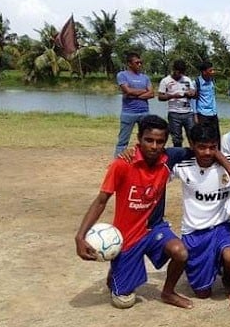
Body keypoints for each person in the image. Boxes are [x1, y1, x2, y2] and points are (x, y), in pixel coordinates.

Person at [75, 115, 192, 309]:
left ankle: (168, 292)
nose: (154, 146)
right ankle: (116, 271)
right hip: (127, 236)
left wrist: (228, 165)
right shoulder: (122, 164)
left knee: (180, 252)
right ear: (139, 139)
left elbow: (201, 148)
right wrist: (80, 237)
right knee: (124, 301)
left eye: (160, 141)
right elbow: (101, 201)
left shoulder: (168, 159)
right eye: (149, 140)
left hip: (154, 229)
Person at [170, 124, 230, 299]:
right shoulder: (183, 166)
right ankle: (206, 267)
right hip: (194, 232)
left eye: (212, 147)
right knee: (203, 293)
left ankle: (228, 277)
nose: (207, 152)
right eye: (201, 147)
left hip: (222, 226)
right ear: (192, 145)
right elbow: (155, 169)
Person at [115, 52, 154, 156]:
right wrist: (143, 91)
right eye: (137, 62)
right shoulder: (122, 75)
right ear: (129, 64)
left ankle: (144, 160)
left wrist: (135, 94)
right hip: (129, 113)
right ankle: (117, 163)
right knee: (123, 140)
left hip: (144, 112)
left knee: (146, 138)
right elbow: (127, 91)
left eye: (140, 62)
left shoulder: (145, 77)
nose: (139, 65)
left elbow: (151, 93)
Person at [157, 59, 196, 147]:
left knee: (192, 136)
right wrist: (173, 95)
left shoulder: (187, 79)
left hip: (188, 112)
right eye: (179, 72)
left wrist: (191, 93)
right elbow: (160, 97)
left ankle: (194, 155)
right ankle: (178, 154)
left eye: (182, 72)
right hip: (174, 113)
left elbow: (193, 92)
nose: (180, 74)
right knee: (176, 138)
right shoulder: (165, 81)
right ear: (174, 70)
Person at [193, 61, 219, 133]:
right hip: (203, 114)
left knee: (215, 137)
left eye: (213, 70)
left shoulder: (212, 80)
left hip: (213, 113)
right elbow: (193, 100)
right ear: (204, 72)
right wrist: (195, 116)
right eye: (210, 70)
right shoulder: (196, 83)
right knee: (204, 136)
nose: (213, 72)